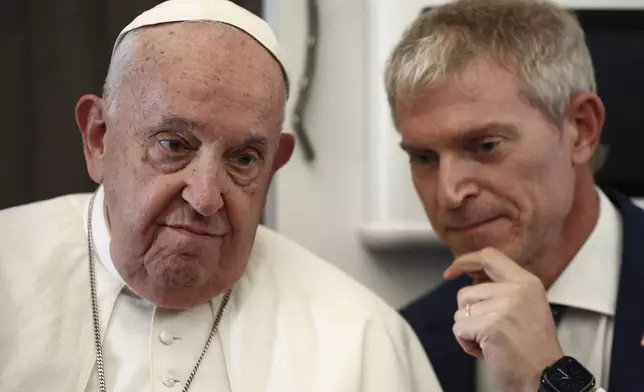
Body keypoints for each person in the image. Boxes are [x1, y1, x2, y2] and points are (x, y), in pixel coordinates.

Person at [0, 1, 443, 391]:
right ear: (98, 137)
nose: (206, 196)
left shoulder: (363, 339)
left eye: (244, 158)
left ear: (273, 169)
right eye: (174, 145)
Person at [385, 0, 643, 391]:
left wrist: (552, 378)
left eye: (485, 145)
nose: (449, 192)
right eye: (423, 157)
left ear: (580, 129)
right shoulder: (408, 339)